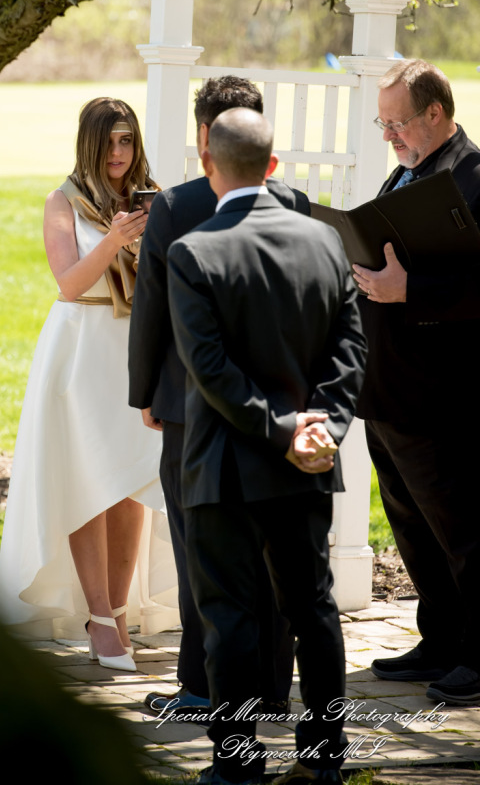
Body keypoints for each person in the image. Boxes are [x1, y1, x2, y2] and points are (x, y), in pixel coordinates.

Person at [167, 108, 367, 785]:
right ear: (273, 166)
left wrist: (281, 432)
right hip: (308, 462)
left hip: (226, 466)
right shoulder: (325, 243)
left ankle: (238, 767)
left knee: (229, 617)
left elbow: (212, 371)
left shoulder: (193, 252)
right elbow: (350, 348)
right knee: (313, 608)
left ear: (208, 166)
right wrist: (322, 430)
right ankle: (324, 757)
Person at [128, 76, 309, 715]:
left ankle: (204, 687)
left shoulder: (175, 208)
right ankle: (269, 688)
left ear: (204, 137)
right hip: (278, 406)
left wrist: (145, 391)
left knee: (200, 549)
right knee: (273, 552)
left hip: (192, 405)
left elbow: (152, 310)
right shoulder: (297, 202)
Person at [0, 97, 177, 669]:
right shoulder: (62, 201)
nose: (119, 153)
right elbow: (69, 284)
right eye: (109, 141)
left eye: (127, 141)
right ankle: (97, 618)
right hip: (81, 350)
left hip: (136, 348)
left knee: (130, 482)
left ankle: (120, 610)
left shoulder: (155, 197)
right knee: (88, 482)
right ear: (88, 142)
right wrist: (113, 240)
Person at [351, 59, 480, 707]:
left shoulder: (475, 178)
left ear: (436, 112)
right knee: (411, 524)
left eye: (398, 122)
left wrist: (411, 290)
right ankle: (441, 638)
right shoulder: (405, 170)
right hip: (388, 388)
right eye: (384, 124)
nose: (389, 136)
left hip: (444, 393)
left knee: (463, 528)